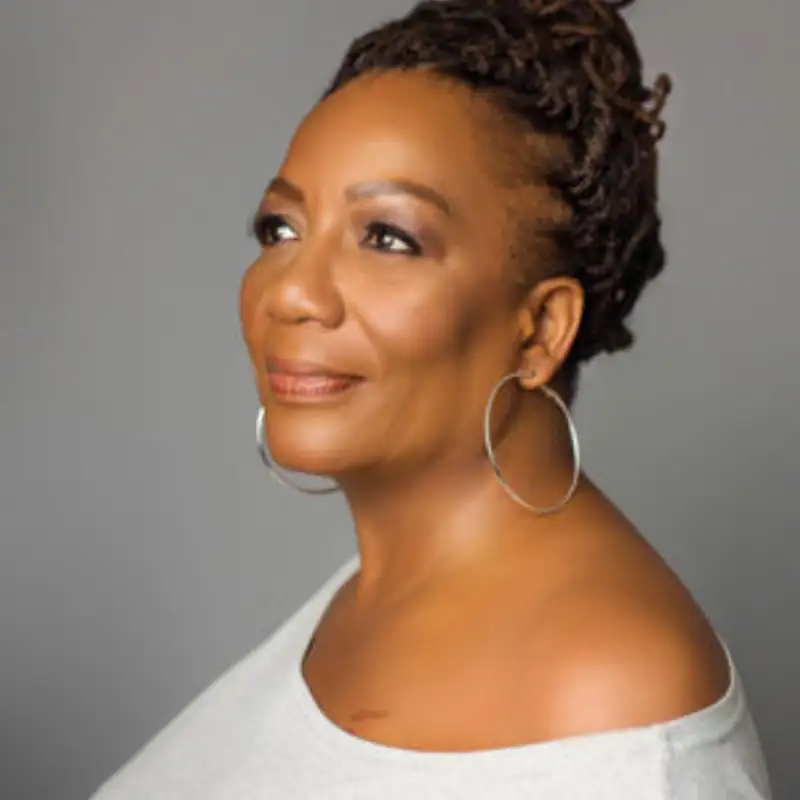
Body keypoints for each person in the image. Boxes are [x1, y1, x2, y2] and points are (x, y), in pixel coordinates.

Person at [90, 0, 772, 797]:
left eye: (388, 238)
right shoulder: (367, 596)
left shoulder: (615, 707)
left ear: (540, 328)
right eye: (281, 229)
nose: (291, 293)